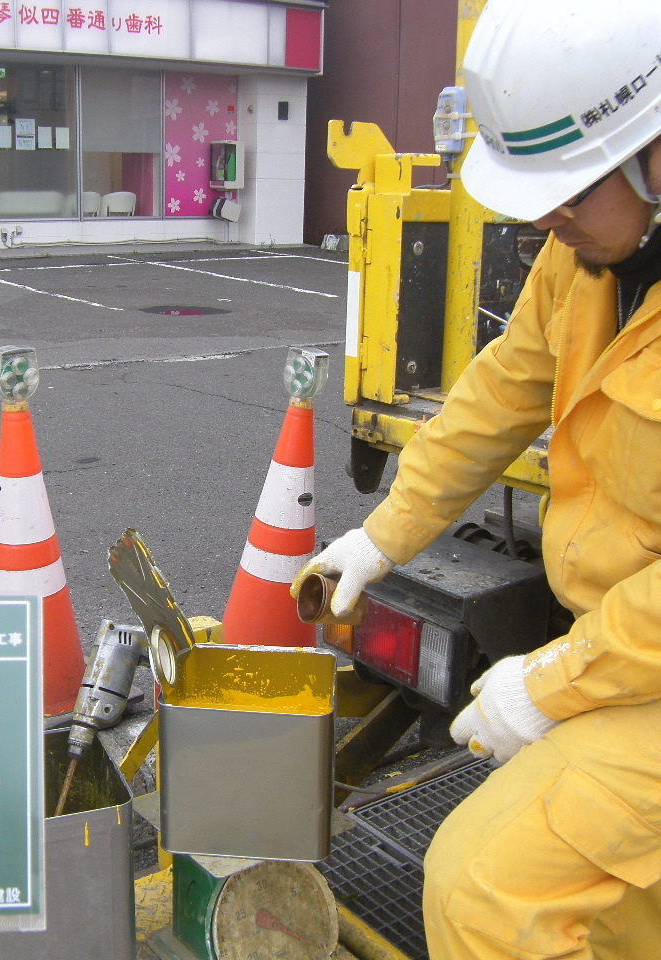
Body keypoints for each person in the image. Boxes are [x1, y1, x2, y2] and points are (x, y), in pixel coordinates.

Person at [291, 1, 661, 957]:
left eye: (570, 191)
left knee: (486, 892)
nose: (547, 216)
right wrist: (384, 536)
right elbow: (496, 400)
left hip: (636, 663)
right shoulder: (583, 263)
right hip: (627, 651)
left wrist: (550, 682)